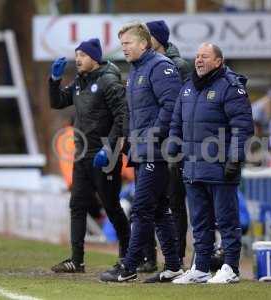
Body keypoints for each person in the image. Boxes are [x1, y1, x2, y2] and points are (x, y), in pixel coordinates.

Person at [100, 22, 183, 283]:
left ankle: (130, 265)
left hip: (156, 151)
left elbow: (172, 104)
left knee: (142, 208)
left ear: (144, 43)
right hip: (142, 150)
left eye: (128, 43)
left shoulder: (160, 67)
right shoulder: (137, 70)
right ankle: (173, 266)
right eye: (122, 44)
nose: (123, 48)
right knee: (158, 209)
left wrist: (154, 134)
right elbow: (139, 113)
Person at [169, 43, 253, 284]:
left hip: (220, 167)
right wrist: (174, 152)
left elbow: (243, 127)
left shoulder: (230, 87)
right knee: (200, 222)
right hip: (193, 167)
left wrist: (234, 159)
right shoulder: (188, 88)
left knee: (227, 221)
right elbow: (176, 124)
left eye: (205, 56)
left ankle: (231, 268)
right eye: (197, 56)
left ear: (219, 61)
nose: (198, 60)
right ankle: (201, 267)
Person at [48, 38, 130, 273]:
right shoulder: (78, 82)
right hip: (82, 154)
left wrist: (109, 147)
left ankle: (128, 257)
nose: (78, 59)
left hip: (104, 155)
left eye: (82, 55)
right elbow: (57, 102)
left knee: (111, 206)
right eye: (76, 55)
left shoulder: (108, 81)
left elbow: (122, 117)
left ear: (94, 57)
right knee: (77, 205)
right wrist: (54, 81)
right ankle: (77, 260)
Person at [130, 19, 191, 272]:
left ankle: (170, 260)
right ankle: (162, 261)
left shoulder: (174, 66)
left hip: (169, 146)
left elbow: (178, 107)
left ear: (154, 39)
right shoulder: (140, 67)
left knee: (171, 203)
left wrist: (160, 136)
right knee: (159, 206)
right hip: (147, 146)